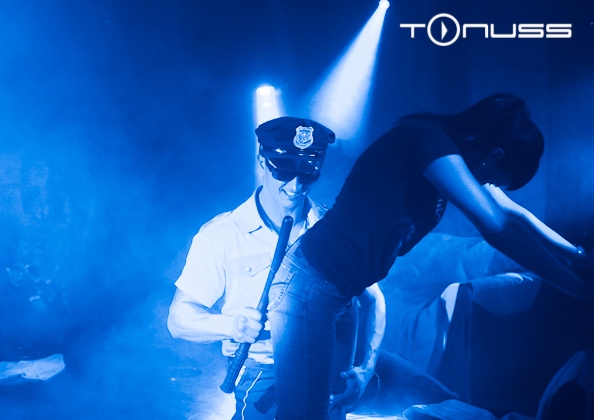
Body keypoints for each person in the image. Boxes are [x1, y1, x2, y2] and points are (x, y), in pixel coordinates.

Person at [266, 93, 594, 419]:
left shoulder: (451, 157)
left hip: (342, 294)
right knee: (304, 414)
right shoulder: (426, 141)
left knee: (335, 404)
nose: (490, 185)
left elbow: (513, 214)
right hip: (310, 286)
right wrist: (578, 289)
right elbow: (498, 228)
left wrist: (577, 255)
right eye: (495, 179)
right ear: (494, 155)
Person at [167, 116, 386, 420]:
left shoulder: (334, 230)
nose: (295, 185)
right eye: (283, 170)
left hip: (334, 370)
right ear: (262, 161)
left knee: (433, 398)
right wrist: (232, 326)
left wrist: (365, 368)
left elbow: (373, 299)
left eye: (307, 171)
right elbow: (178, 320)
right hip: (266, 375)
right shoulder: (222, 235)